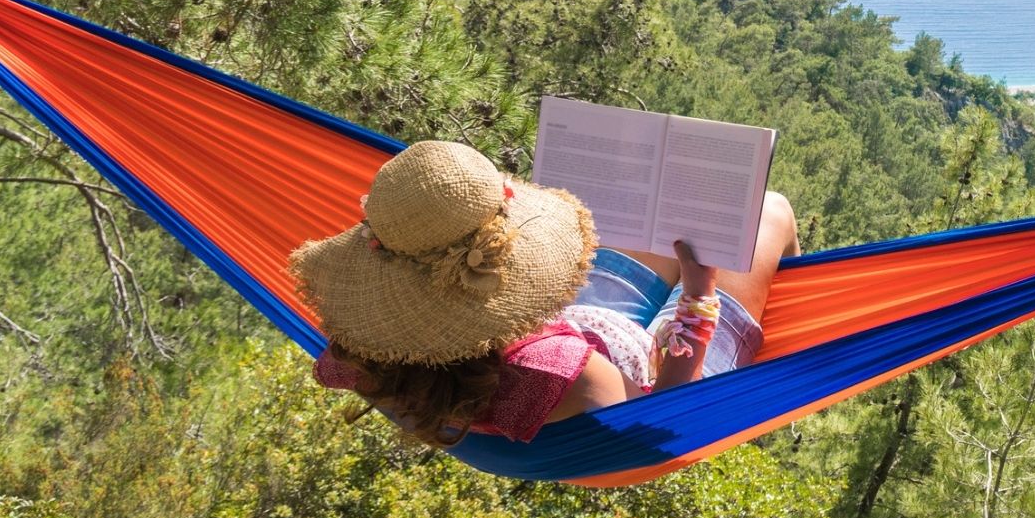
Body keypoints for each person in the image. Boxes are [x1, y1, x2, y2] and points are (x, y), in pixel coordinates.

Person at [288, 140, 798, 446]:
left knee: (672, 217)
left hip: (567, 324)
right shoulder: (555, 371)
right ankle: (790, 329)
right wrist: (698, 299)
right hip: (669, 363)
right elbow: (661, 418)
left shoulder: (360, 347)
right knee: (771, 209)